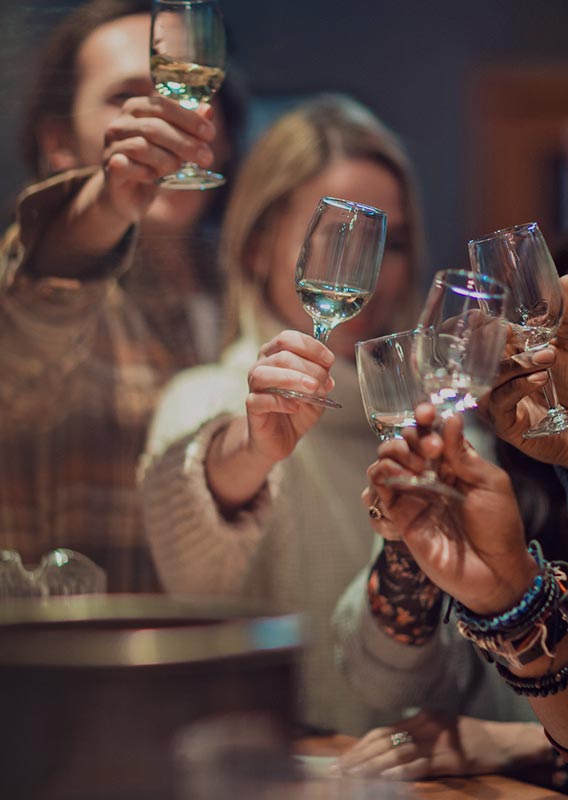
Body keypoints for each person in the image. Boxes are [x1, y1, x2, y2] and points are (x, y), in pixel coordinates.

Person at [140, 92, 426, 735]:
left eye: (392, 241)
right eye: (337, 238)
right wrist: (250, 449)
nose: (370, 274)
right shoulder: (208, 397)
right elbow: (195, 580)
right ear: (259, 248)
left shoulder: (434, 422)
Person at [0, 0, 246, 591]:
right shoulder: (48, 278)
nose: (166, 114)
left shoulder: (255, 290)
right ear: (58, 141)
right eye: (128, 95)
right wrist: (107, 203)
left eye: (183, 89)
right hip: (76, 671)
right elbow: (20, 345)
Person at [334, 402, 568, 783]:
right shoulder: (471, 441)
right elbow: (385, 685)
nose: (514, 344)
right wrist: (402, 551)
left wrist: (521, 742)